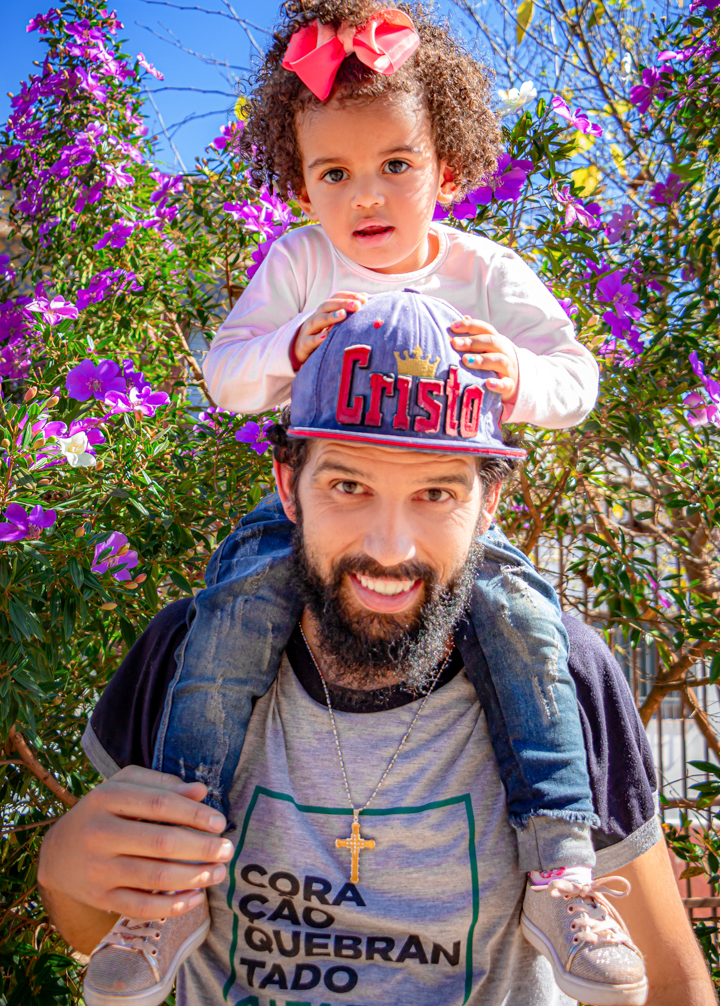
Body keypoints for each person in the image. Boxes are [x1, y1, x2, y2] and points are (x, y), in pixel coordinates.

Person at [38, 292, 715, 1006]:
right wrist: (64, 867)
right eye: (349, 485)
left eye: (435, 494)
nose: (390, 548)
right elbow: (102, 936)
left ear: (488, 506)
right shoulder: (189, 650)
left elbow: (668, 982)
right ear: (288, 487)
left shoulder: (559, 674)